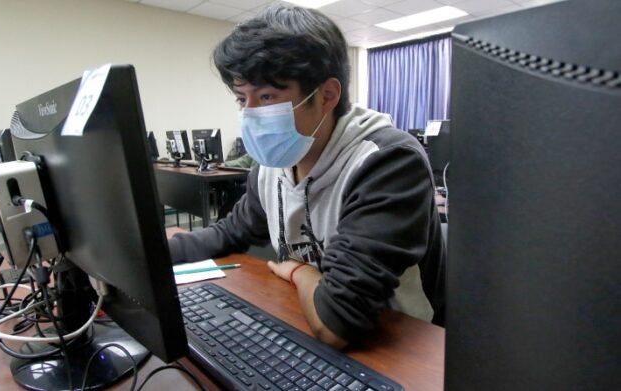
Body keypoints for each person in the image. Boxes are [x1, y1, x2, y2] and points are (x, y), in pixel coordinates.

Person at [168, 4, 445, 349]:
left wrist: (300, 270)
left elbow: (338, 324)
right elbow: (231, 232)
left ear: (326, 95)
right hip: (306, 320)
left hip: (400, 345)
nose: (251, 115)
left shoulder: (387, 161)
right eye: (242, 99)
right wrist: (149, 249)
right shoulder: (274, 162)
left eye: (267, 96)